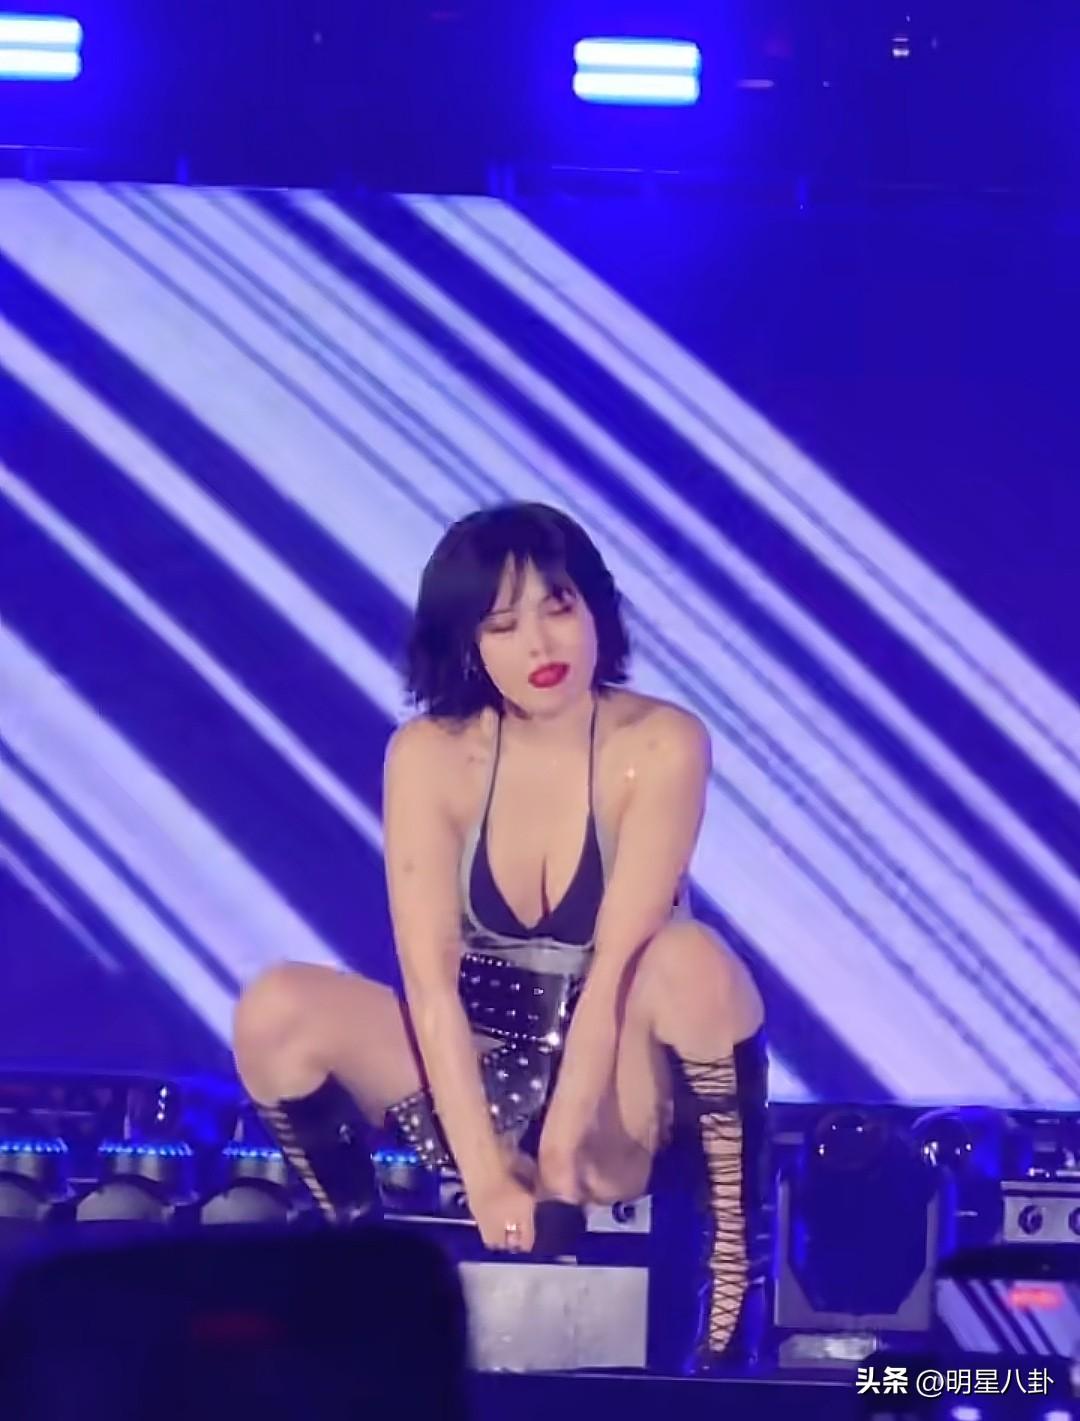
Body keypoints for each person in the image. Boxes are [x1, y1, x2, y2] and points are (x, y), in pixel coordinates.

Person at [233, 502, 768, 1372]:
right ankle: (358, 1270)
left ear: (595, 607)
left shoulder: (662, 742)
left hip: (615, 1093)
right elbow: (428, 980)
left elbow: (616, 969)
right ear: (468, 641)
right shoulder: (428, 754)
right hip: (478, 1074)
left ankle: (734, 1281)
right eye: (502, 623)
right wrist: (483, 1170)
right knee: (277, 1007)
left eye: (558, 606)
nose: (540, 645)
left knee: (689, 959)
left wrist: (559, 1146)